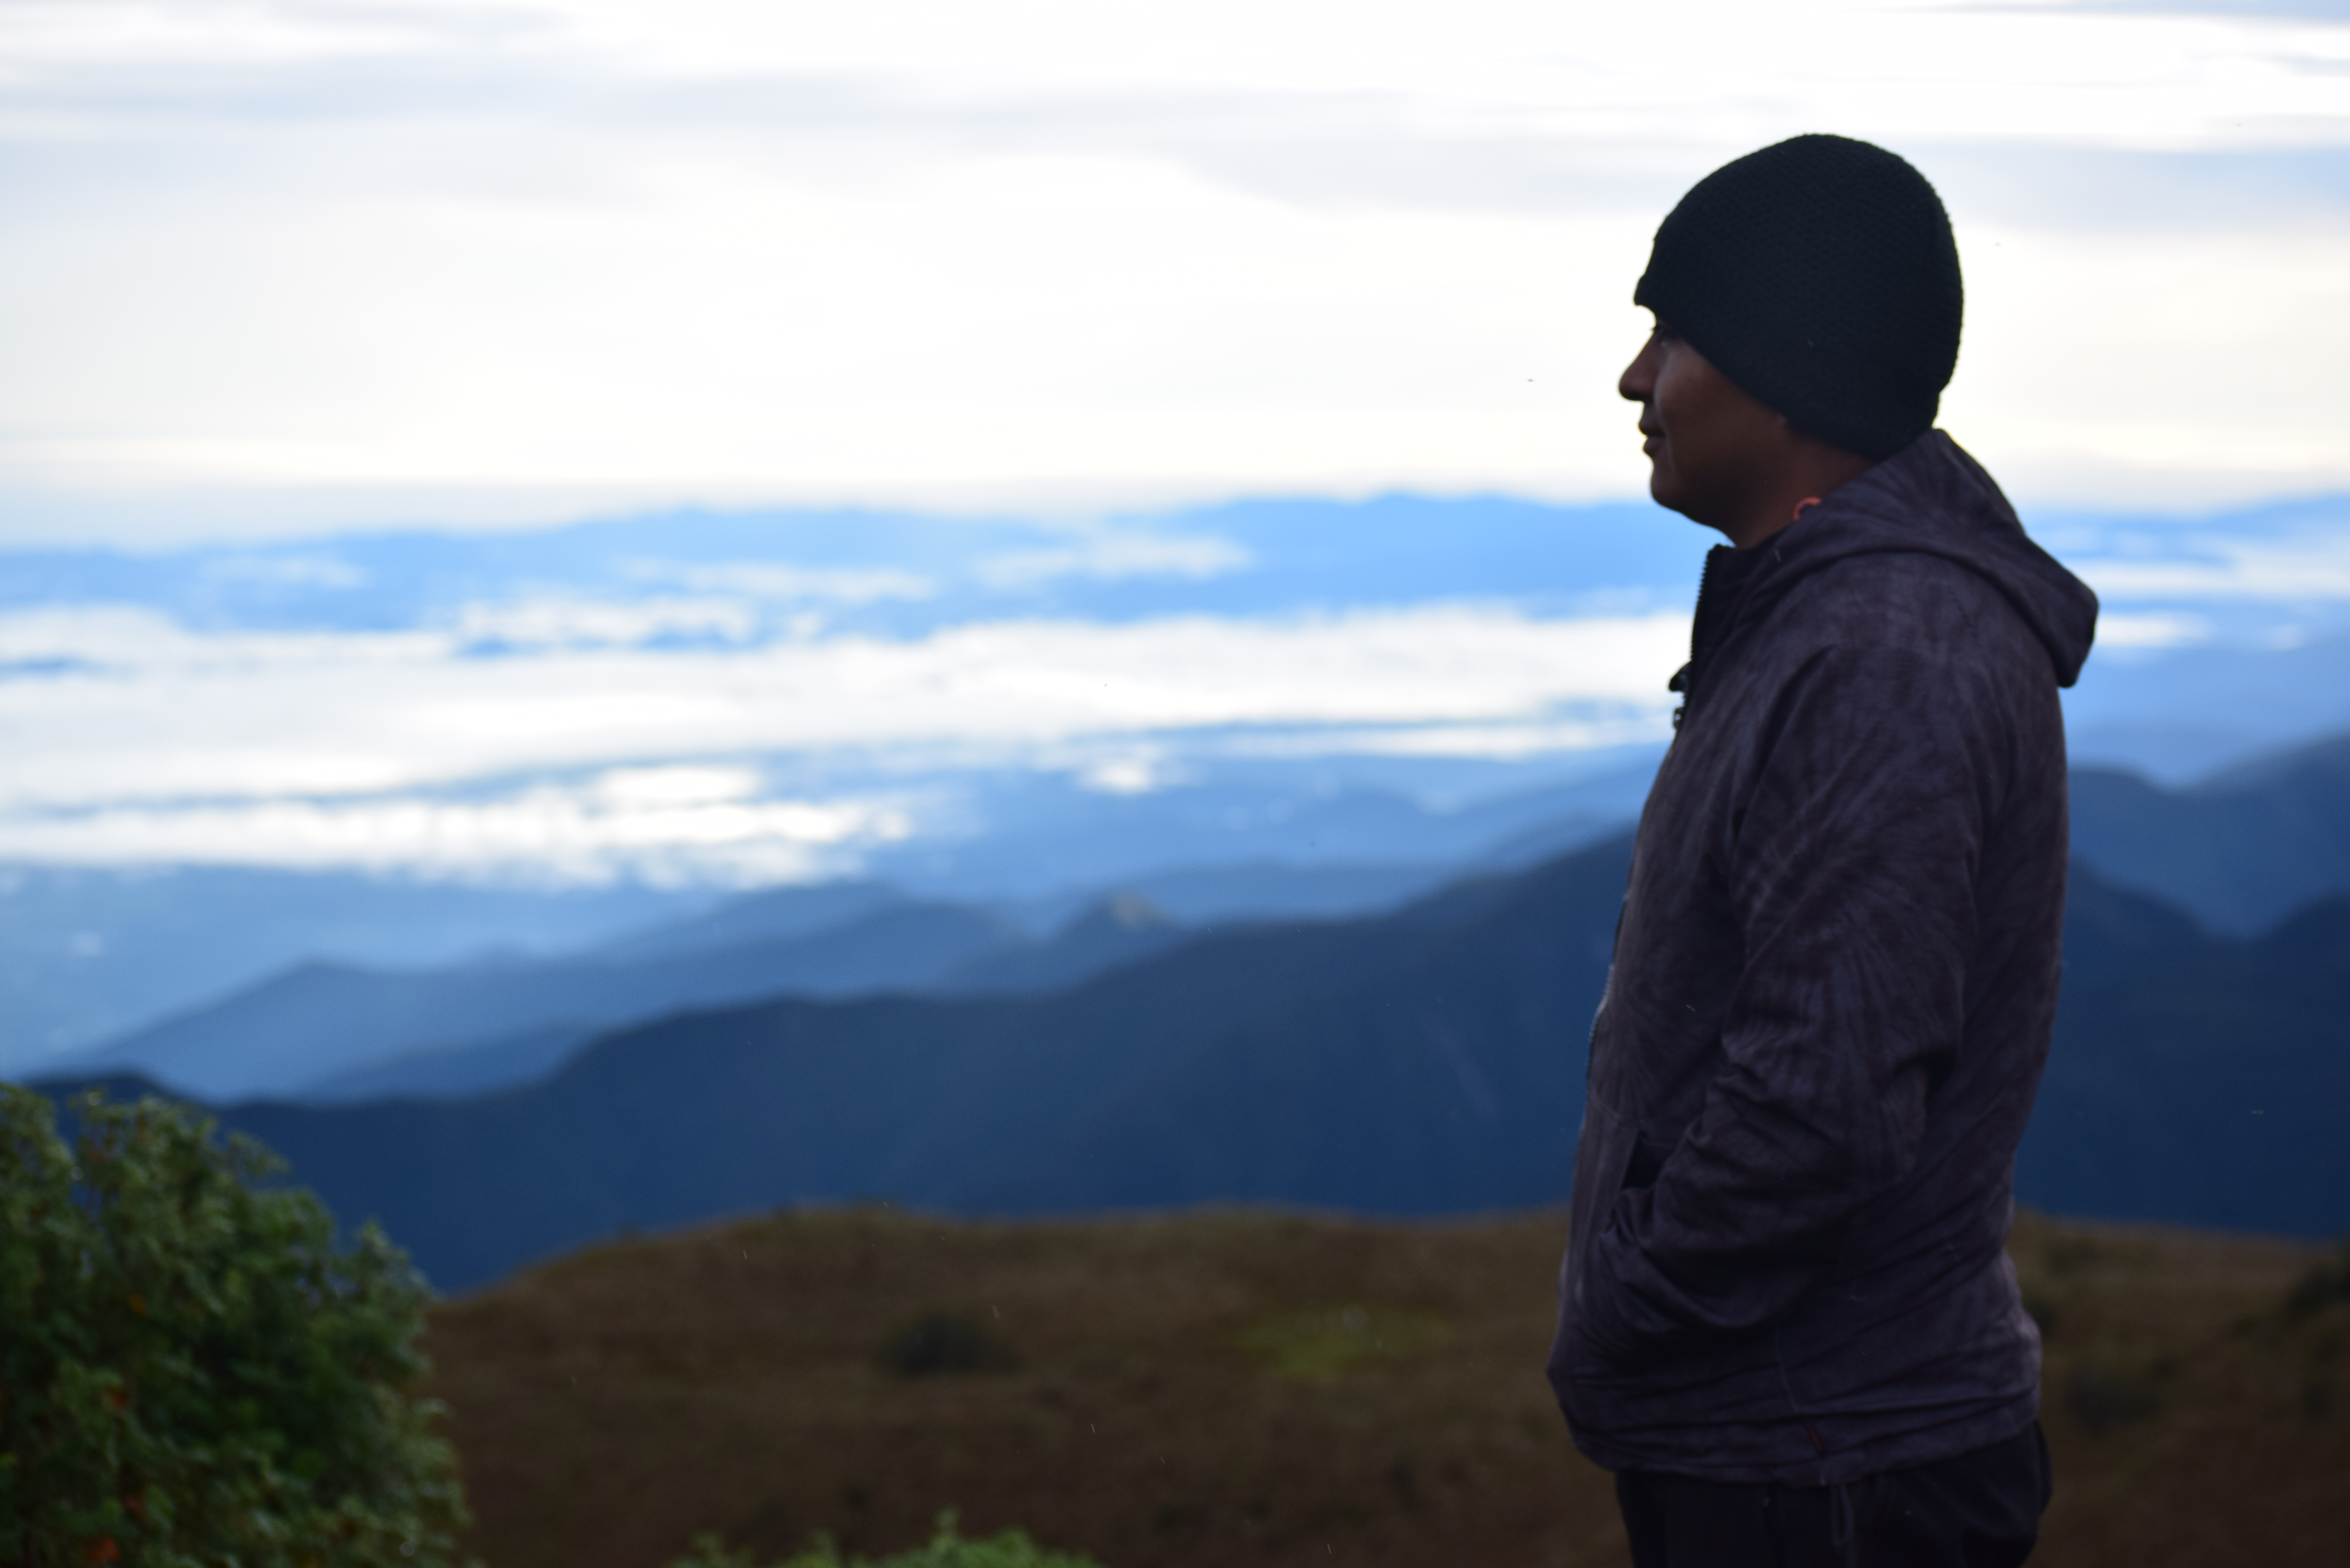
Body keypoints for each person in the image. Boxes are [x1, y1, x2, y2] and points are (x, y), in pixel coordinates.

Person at [1546, 134, 2099, 1567]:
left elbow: (1827, 1102)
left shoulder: (1883, 657)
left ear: (1781, 365)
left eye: (1672, 333)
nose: (1636, 380)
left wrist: (1633, 1300)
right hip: (1813, 1453)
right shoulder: (1836, 623)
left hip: (1828, 1476)